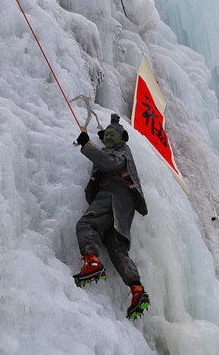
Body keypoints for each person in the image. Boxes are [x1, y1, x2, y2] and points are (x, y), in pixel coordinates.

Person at [73, 113, 150, 320]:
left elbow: (108, 162)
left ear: (122, 138)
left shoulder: (123, 152)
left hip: (112, 194)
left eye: (112, 135)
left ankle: (92, 261)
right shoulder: (116, 148)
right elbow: (107, 152)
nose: (107, 137)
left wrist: (86, 144)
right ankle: (137, 290)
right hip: (124, 205)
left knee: (86, 224)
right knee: (116, 247)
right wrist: (101, 139)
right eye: (105, 135)